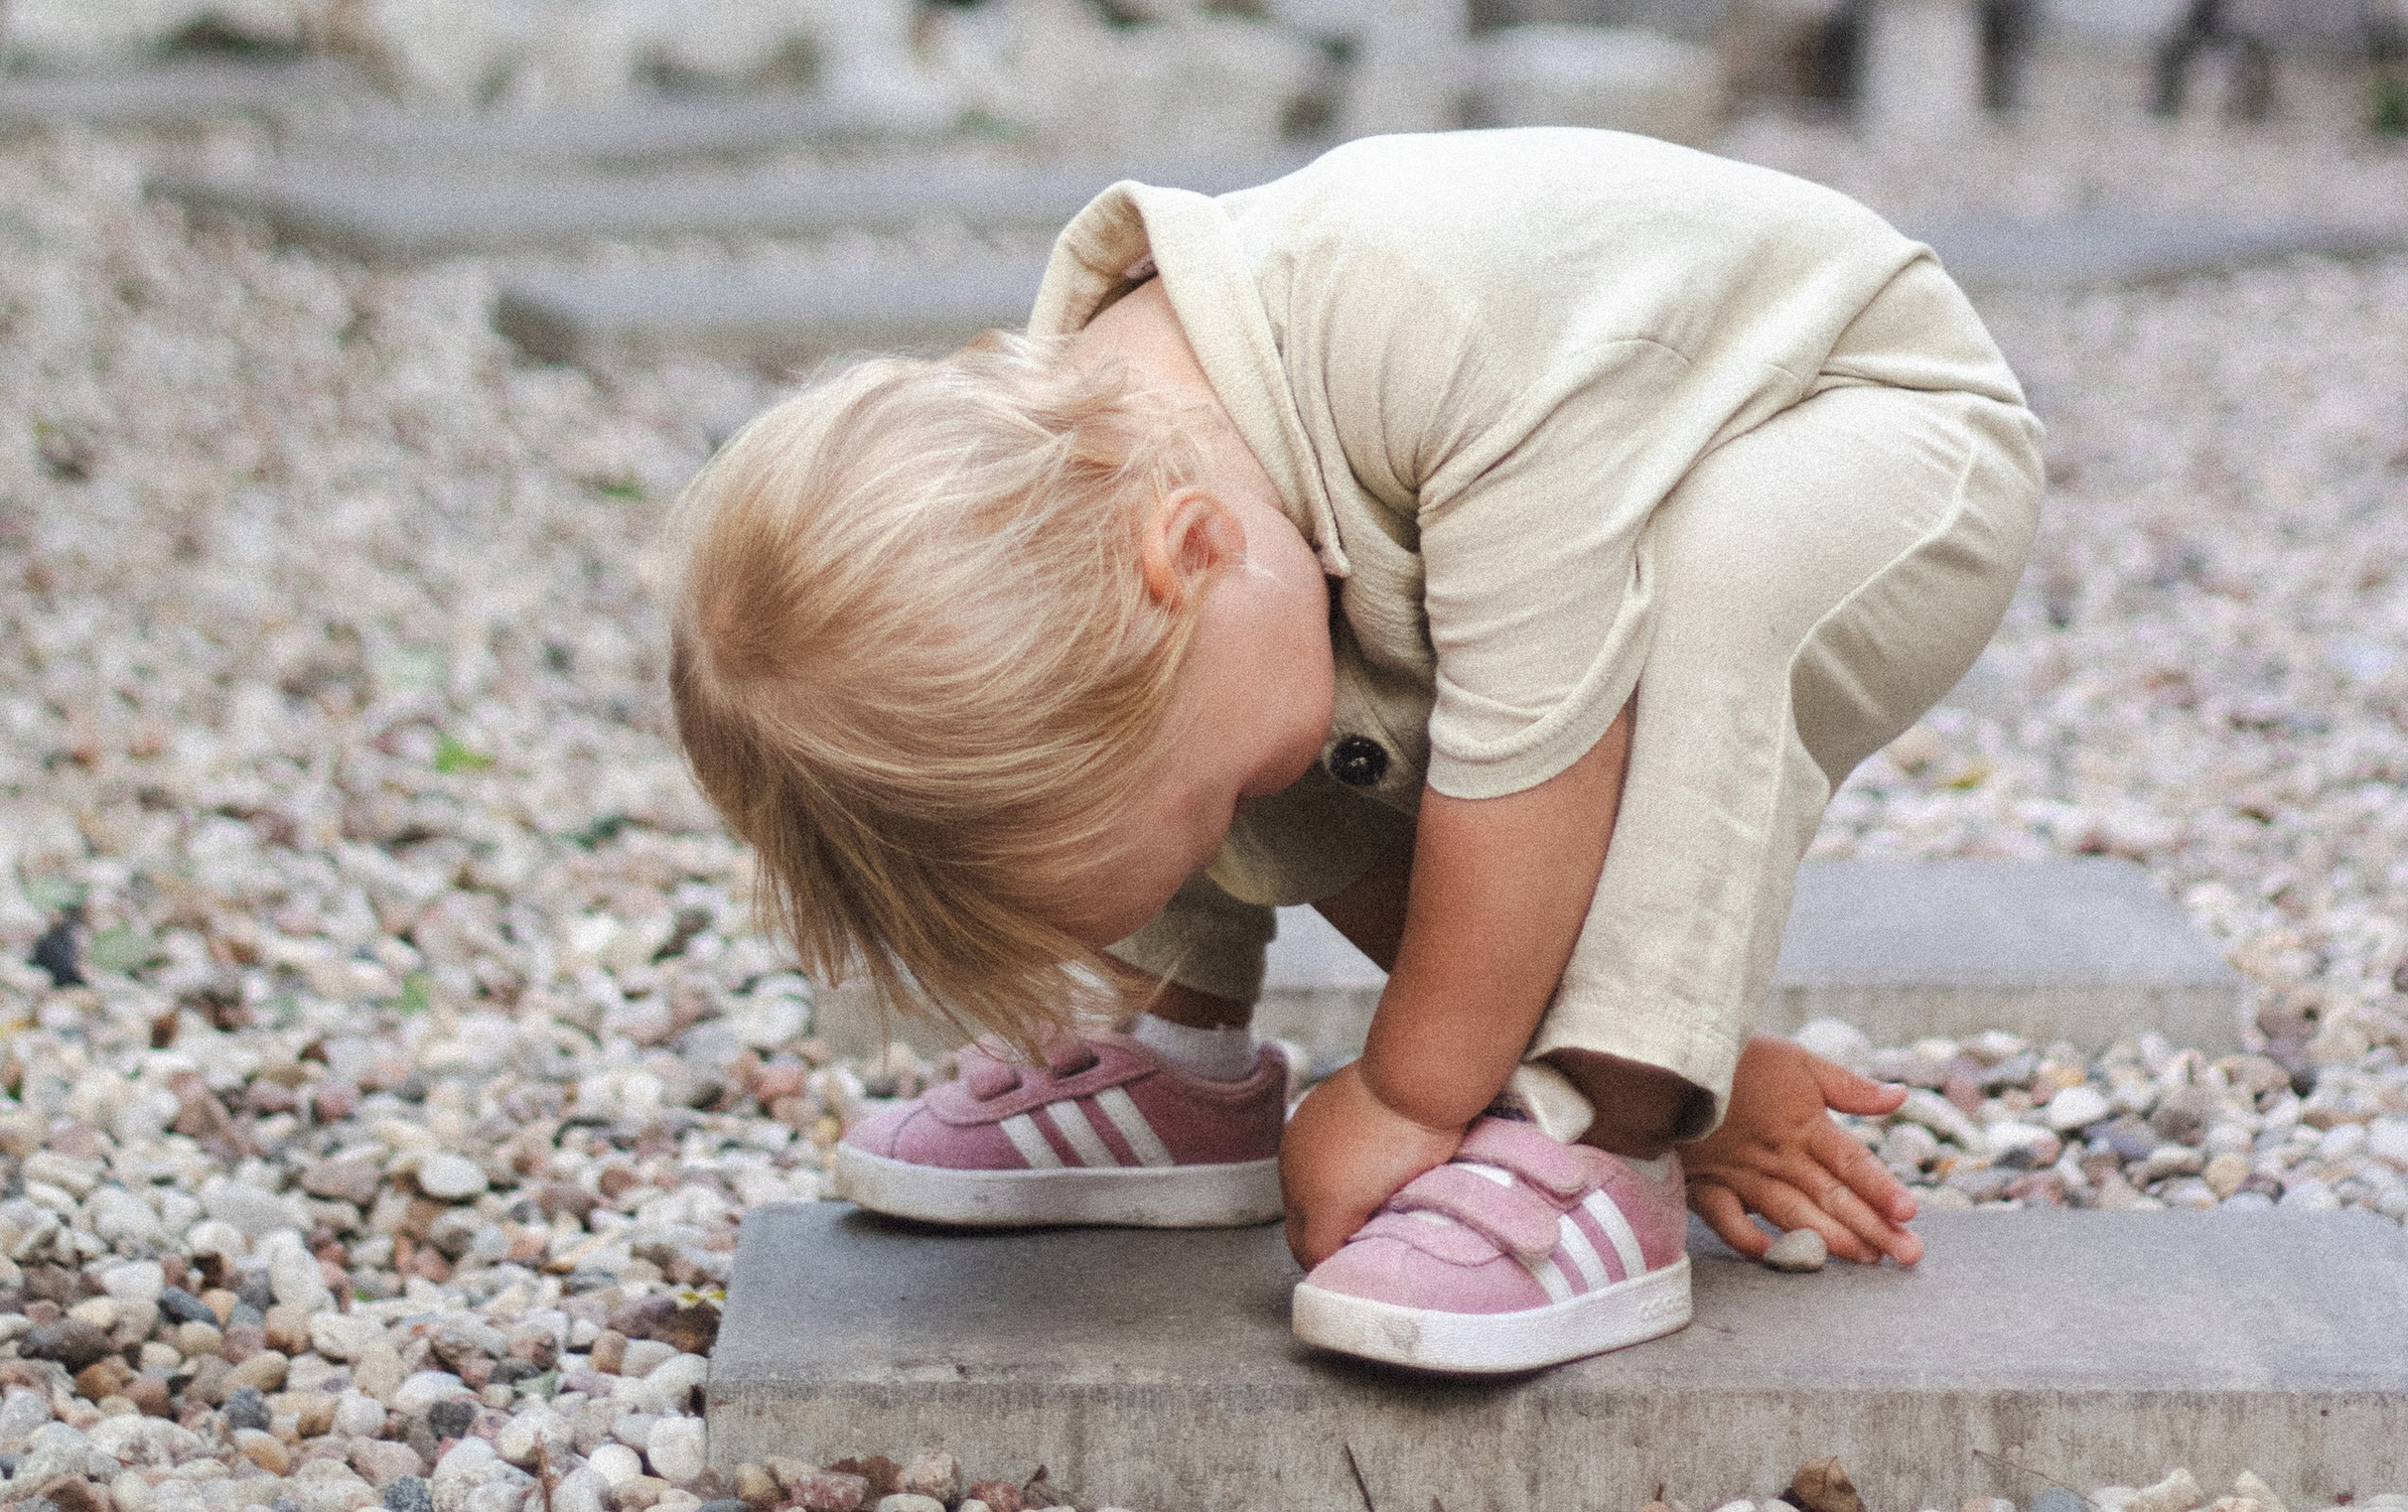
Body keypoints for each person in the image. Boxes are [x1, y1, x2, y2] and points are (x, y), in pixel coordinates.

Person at [666, 128, 2043, 1374]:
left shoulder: (1432, 344)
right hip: (1551, 479)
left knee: (1715, 591)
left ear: (1193, 549)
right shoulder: (1083, 474)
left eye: (1216, 816)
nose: (1244, 833)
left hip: (1864, 418)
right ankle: (1172, 1043)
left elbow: (1534, 772)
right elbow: (1347, 831)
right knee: (1234, 722)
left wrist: (1414, 1087)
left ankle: (1612, 1128)